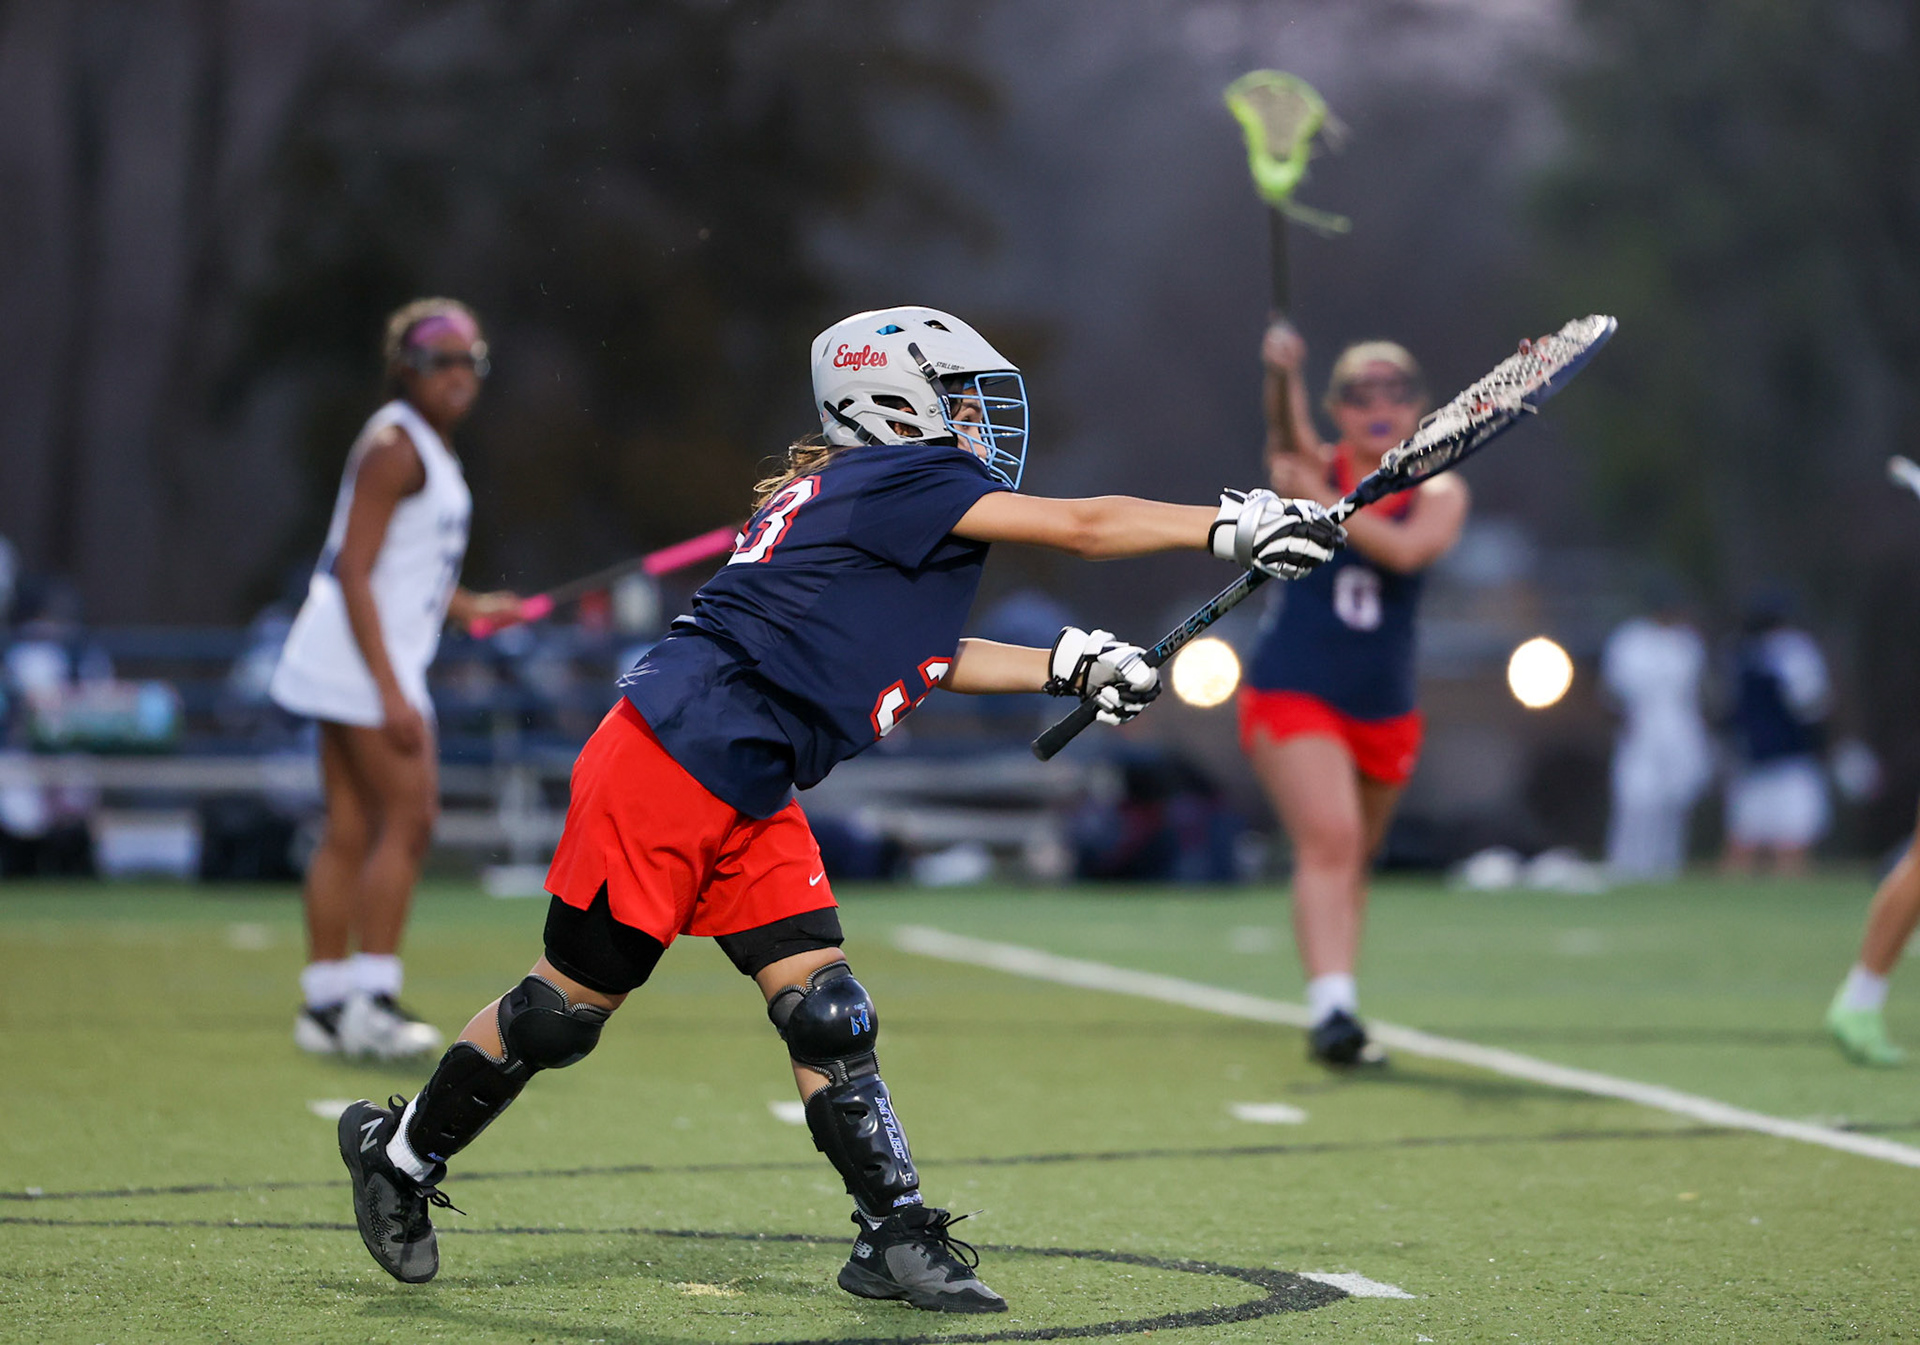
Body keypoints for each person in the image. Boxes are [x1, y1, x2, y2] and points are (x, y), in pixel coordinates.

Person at [334, 306, 1342, 1310]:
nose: (975, 423)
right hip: (667, 760)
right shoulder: (901, 476)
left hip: (747, 779)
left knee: (826, 1007)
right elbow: (1082, 526)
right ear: (891, 398)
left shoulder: (878, 491)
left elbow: (924, 657)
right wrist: (1231, 525)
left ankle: (893, 1234)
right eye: (957, 400)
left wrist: (1069, 666)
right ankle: (402, 1154)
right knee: (564, 1011)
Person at [270, 299, 522, 1060]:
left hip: (352, 652)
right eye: (438, 358)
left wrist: (472, 606)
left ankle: (324, 1006)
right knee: (410, 819)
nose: (455, 373)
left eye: (468, 359)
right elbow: (352, 567)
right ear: (405, 367)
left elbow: (405, 569)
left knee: (351, 827)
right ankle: (372, 999)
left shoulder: (427, 448)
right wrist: (388, 687)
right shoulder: (394, 446)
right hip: (361, 658)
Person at [1241, 323, 1467, 1067]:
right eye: (1361, 394)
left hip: (1385, 704)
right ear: (1338, 407)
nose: (1380, 406)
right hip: (1294, 687)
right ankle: (1331, 1008)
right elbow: (1285, 436)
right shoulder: (1317, 464)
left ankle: (1343, 997)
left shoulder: (1438, 487)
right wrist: (1281, 376)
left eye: (1396, 394)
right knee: (1330, 838)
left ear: (1420, 409)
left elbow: (1405, 551)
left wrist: (1326, 501)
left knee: (1354, 856)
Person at [1600, 593, 1712, 879]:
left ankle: (1666, 865)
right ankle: (1626, 865)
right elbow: (1614, 692)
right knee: (1637, 798)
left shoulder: (1687, 642)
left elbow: (1695, 692)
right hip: (1641, 726)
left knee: (1675, 798)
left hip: (1678, 728)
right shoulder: (1631, 640)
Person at [1719, 594, 1829, 877]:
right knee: (1788, 846)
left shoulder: (1739, 651)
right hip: (1787, 759)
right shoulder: (1794, 651)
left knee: (1745, 844)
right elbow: (1812, 706)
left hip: (1754, 759)